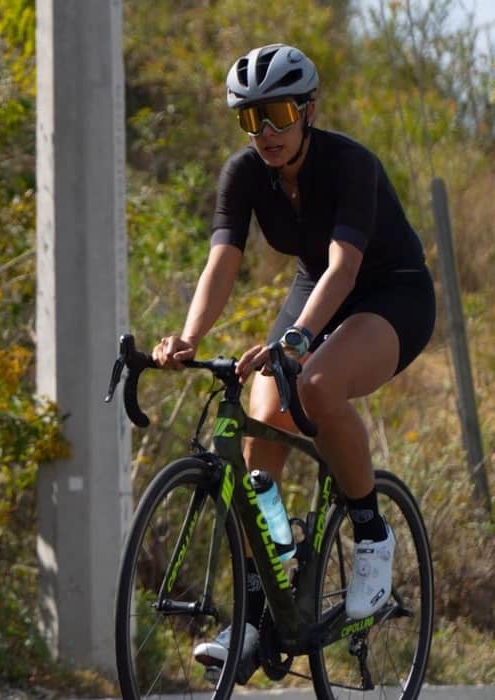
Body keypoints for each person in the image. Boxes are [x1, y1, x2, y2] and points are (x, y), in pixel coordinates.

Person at [152, 44, 436, 669]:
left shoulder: (350, 164)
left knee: (316, 387)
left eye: (278, 113)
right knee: (262, 415)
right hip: (317, 291)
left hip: (391, 291)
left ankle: (371, 535)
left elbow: (345, 265)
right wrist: (189, 337)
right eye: (251, 119)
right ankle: (262, 611)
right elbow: (222, 260)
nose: (267, 133)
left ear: (309, 109)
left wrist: (300, 338)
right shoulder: (244, 173)